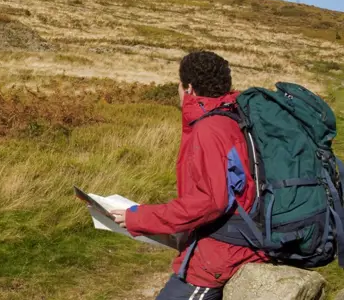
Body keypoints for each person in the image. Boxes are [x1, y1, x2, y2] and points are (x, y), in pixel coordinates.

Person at [110, 51, 267, 300]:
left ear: (190, 88)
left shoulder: (209, 129)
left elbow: (210, 202)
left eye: (180, 84)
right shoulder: (235, 117)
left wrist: (140, 218)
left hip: (224, 252)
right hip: (245, 235)